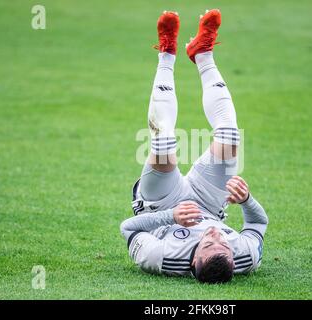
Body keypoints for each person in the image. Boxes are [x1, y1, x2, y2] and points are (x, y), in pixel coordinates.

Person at [120, 9, 268, 284]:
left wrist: (171, 216)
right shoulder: (245, 258)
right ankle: (203, 53)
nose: (216, 237)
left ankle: (166, 54)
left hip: (160, 208)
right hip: (210, 206)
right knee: (229, 135)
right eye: (224, 245)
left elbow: (128, 228)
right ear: (234, 260)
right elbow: (257, 224)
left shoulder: (161, 258)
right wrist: (247, 201)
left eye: (209, 245)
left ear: (194, 261)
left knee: (163, 141)